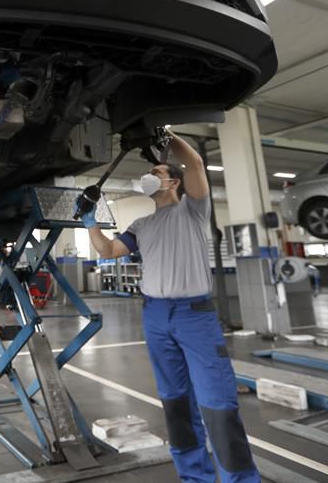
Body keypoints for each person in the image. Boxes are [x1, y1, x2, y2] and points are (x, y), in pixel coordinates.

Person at [81, 131, 259, 483]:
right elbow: (109, 251)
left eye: (156, 173)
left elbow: (195, 163)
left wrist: (165, 134)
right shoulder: (141, 225)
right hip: (156, 316)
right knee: (175, 403)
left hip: (195, 317)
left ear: (174, 182)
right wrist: (90, 223)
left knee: (218, 404)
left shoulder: (192, 210)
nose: (148, 177)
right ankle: (194, 477)